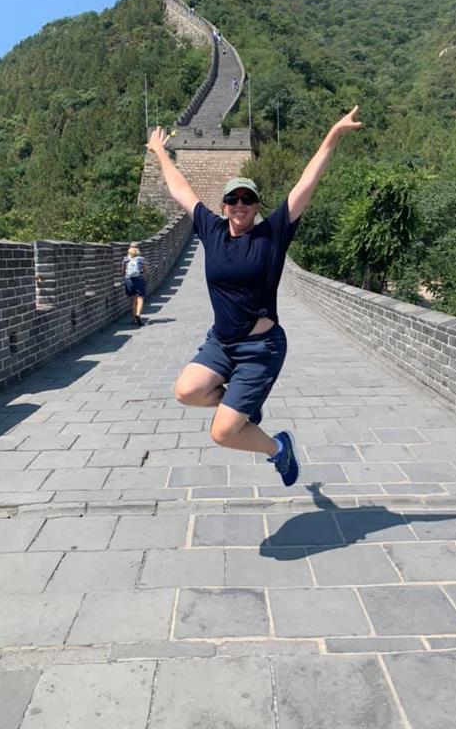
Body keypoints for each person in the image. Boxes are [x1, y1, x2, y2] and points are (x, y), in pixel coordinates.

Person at [145, 106, 362, 485]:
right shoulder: (211, 229)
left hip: (262, 349)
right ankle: (242, 405)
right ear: (224, 206)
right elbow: (181, 190)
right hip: (221, 342)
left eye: (248, 200)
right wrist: (161, 152)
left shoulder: (272, 235)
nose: (240, 206)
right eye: (233, 200)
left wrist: (332, 136)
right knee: (186, 391)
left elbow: (306, 184)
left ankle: (278, 448)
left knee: (223, 433)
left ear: (257, 206)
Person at [122, 246, 147, 327]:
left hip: (128, 280)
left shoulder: (125, 259)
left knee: (133, 299)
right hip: (139, 280)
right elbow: (145, 270)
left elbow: (123, 271)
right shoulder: (142, 259)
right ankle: (138, 314)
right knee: (140, 298)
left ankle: (134, 319)